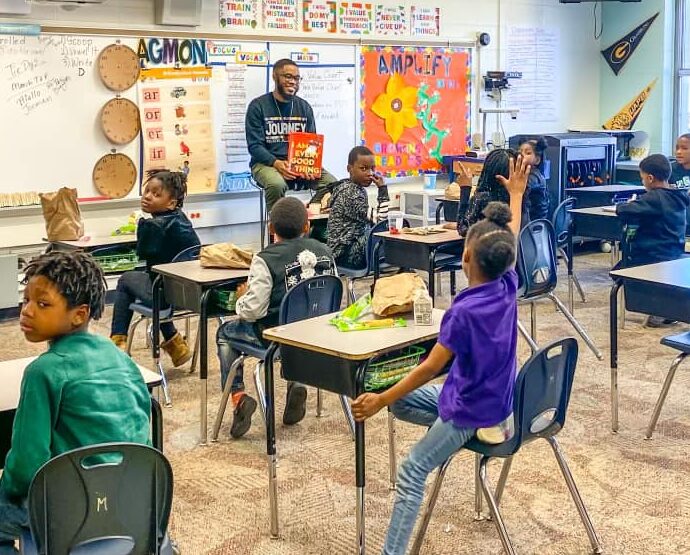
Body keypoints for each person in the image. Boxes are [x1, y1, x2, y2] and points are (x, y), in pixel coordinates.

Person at [351, 156, 530, 555]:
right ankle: (450, 430)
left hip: (471, 409)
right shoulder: (507, 283)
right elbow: (511, 235)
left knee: (413, 469)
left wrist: (380, 398)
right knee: (400, 406)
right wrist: (515, 194)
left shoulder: (462, 311)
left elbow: (430, 367)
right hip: (493, 398)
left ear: (466, 259)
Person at [0, 251, 151, 554]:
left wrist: (7, 490)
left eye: (42, 304)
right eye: (25, 299)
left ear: (79, 314)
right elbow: (143, 435)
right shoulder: (123, 360)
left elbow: (27, 464)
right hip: (130, 506)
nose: (27, 311)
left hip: (66, 511)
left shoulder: (43, 372)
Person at [216, 197, 336, 438]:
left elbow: (254, 310)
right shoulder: (325, 251)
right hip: (317, 336)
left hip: (275, 339)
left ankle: (238, 397)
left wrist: (241, 298)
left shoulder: (265, 258)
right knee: (295, 321)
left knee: (224, 334)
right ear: (306, 227)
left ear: (271, 229)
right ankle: (298, 381)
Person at [110, 170, 200, 367]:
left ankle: (117, 343)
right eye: (147, 191)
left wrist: (142, 225)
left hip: (166, 297)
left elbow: (142, 254)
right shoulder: (183, 219)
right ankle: (176, 345)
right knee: (156, 284)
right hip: (190, 296)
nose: (148, 197)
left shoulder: (154, 226)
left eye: (156, 194)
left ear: (171, 203)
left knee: (126, 280)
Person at [245, 58, 337, 211]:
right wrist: (276, 163)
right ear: (275, 76)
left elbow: (311, 144)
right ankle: (278, 230)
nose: (293, 81)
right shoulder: (258, 106)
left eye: (296, 78)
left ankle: (314, 223)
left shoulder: (304, 107)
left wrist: (309, 165)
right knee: (276, 184)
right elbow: (255, 146)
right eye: (288, 76)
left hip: (300, 164)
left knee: (334, 185)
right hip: (267, 164)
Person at [616, 153, 689, 327]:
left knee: (618, 272)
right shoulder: (677, 196)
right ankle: (667, 306)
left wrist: (624, 205)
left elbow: (625, 210)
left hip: (653, 254)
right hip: (673, 250)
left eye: (642, 179)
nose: (642, 182)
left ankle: (658, 307)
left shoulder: (654, 197)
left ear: (650, 178)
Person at [326, 146, 390, 269]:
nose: (370, 174)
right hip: (345, 255)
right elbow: (381, 220)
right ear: (349, 169)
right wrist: (382, 190)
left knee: (393, 235)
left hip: (350, 249)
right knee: (388, 235)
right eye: (363, 169)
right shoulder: (351, 194)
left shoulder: (353, 188)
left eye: (372, 168)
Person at [453, 148, 529, 236]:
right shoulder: (522, 198)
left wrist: (465, 188)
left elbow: (463, 229)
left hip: (488, 248)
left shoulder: (483, 199)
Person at [519, 136, 550, 220]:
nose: (521, 155)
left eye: (528, 153)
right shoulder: (526, 173)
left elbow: (521, 189)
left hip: (534, 223)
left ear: (537, 160)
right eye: (520, 152)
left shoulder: (535, 176)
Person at [669, 133, 690, 236]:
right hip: (676, 223)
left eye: (684, 148)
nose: (678, 152)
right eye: (677, 148)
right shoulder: (669, 170)